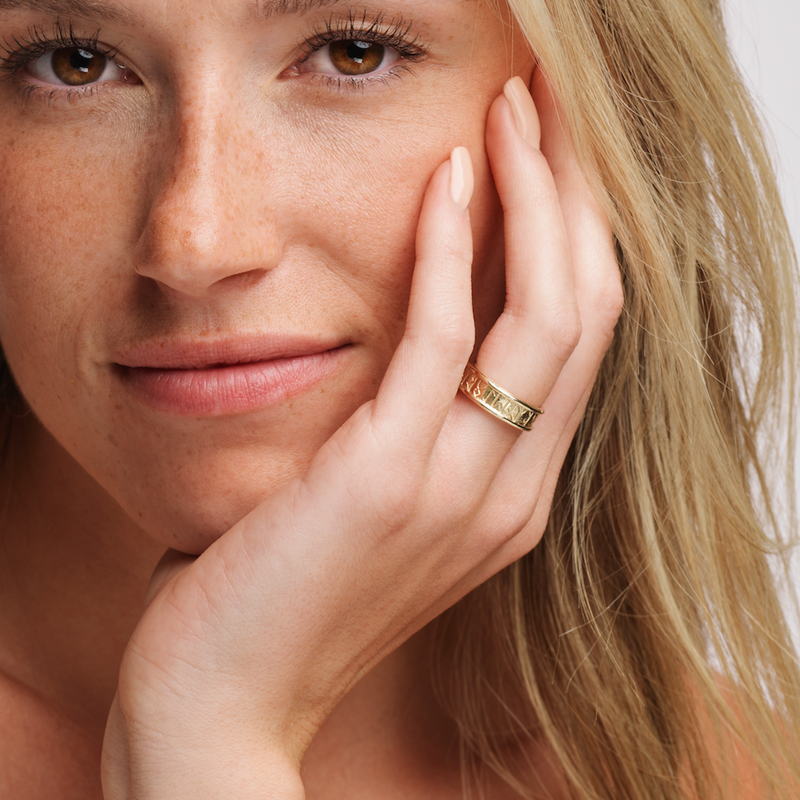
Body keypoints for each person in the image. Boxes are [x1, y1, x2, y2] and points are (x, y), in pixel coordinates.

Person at [0, 0, 797, 797]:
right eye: (75, 62)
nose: (196, 243)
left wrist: (208, 735)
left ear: (588, 121)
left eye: (353, 53)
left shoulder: (738, 772)